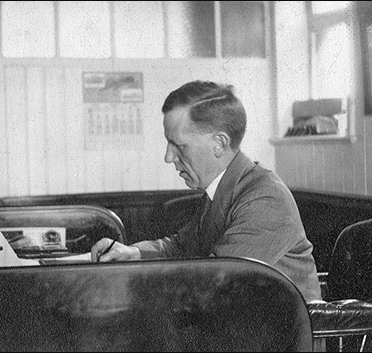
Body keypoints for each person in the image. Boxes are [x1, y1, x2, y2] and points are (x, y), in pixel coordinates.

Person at [91, 80, 322, 301]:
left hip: (286, 337)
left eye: (179, 146)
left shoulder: (266, 198)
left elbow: (216, 281)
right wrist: (134, 253)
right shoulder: (223, 188)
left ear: (219, 144)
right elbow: (179, 247)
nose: (168, 157)